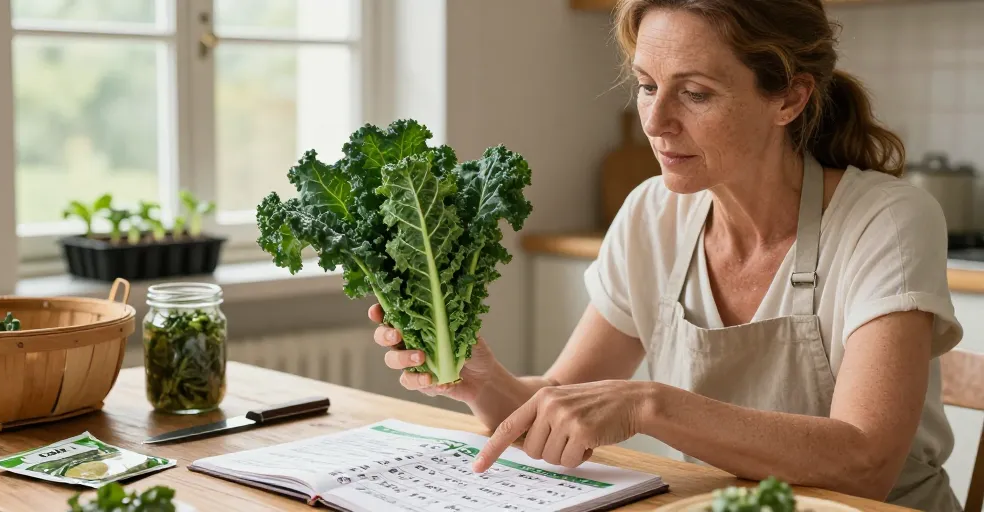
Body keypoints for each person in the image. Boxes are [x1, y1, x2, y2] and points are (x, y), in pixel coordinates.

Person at [367, 0, 964, 510]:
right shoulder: (653, 214)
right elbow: (557, 408)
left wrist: (648, 403)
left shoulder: (886, 221)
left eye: (696, 94)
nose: (654, 121)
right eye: (648, 86)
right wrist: (481, 381)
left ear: (789, 98)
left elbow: (865, 461)